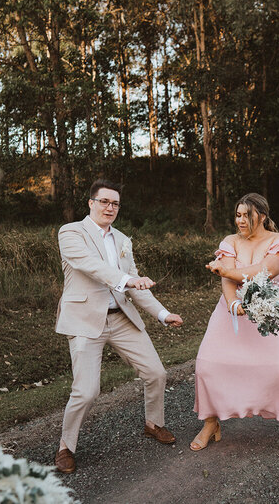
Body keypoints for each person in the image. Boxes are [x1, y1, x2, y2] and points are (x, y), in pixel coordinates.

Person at [54, 179, 184, 474]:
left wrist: (163, 314)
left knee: (156, 373)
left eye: (115, 203)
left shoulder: (123, 240)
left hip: (121, 318)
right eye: (104, 202)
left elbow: (136, 285)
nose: (109, 207)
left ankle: (154, 423)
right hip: (86, 321)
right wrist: (126, 280)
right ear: (91, 203)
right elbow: (90, 265)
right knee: (86, 391)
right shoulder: (71, 232)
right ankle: (65, 446)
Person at [192, 193, 279, 456]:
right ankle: (210, 423)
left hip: (267, 315)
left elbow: (263, 272)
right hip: (229, 313)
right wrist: (232, 304)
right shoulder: (229, 241)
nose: (240, 220)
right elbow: (227, 282)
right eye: (237, 215)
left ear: (260, 215)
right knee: (207, 365)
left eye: (245, 215)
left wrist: (225, 271)